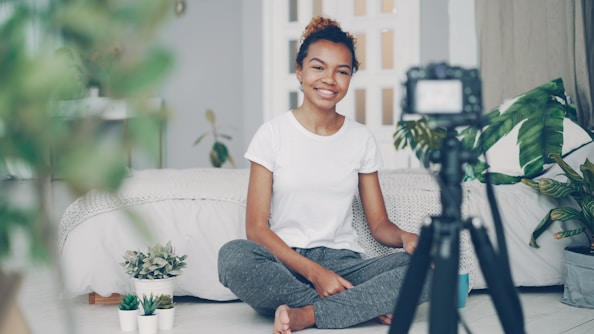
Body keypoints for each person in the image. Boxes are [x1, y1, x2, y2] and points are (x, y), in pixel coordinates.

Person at [218, 16, 431, 333]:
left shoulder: (361, 138)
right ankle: (357, 308)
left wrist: (404, 237)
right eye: (318, 67)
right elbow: (256, 228)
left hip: (344, 264)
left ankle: (308, 315)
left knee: (428, 269)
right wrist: (316, 275)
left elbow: (379, 225)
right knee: (233, 257)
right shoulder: (271, 135)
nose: (329, 79)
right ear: (300, 72)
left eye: (342, 71)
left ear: (350, 78)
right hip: (285, 263)